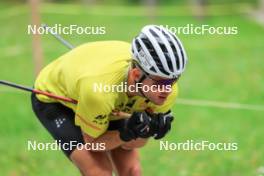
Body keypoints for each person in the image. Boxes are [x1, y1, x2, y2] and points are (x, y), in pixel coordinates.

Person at [31, 25, 188, 176]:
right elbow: (93, 144)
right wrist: (124, 134)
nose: (167, 90)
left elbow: (134, 144)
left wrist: (145, 132)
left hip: (110, 100)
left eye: (172, 81)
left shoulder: (166, 92)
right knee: (100, 172)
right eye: (160, 83)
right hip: (56, 98)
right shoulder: (99, 92)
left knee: (132, 172)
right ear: (135, 75)